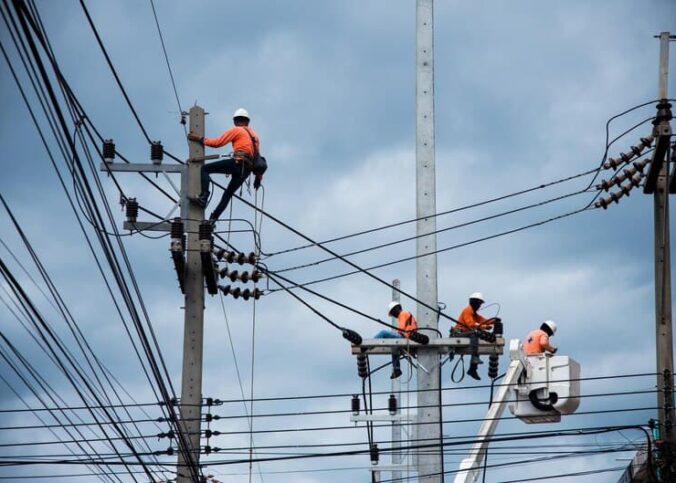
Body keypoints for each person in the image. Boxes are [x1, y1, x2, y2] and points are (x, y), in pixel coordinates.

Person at [187, 108, 263, 223]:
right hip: (246, 169)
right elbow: (258, 159)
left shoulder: (237, 130)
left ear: (235, 121)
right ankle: (212, 220)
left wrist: (199, 139)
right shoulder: (255, 137)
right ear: (248, 121)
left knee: (205, 169)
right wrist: (258, 178)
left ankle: (203, 197)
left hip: (238, 163)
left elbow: (217, 143)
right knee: (227, 194)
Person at [451, 292, 497, 381]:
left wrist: (494, 321)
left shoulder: (474, 314)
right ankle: (475, 358)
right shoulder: (467, 310)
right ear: (474, 302)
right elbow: (471, 324)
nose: (479, 306)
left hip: (465, 334)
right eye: (479, 303)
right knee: (475, 333)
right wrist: (484, 327)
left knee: (476, 336)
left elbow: (484, 321)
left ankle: (472, 369)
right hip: (457, 334)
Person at [374, 302, 418, 379]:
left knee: (383, 333)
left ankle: (368, 346)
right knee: (394, 349)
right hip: (409, 336)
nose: (393, 315)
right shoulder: (406, 314)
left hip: (406, 336)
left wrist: (393, 335)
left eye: (392, 312)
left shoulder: (403, 313)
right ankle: (396, 369)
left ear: (396, 308)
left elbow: (401, 329)